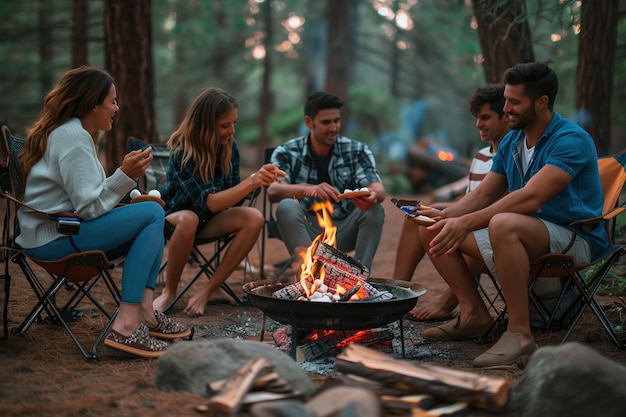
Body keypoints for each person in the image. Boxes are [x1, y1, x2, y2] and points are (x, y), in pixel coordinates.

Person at [417, 62, 608, 368]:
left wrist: (465, 222)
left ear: (541, 102)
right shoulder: (512, 141)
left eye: (515, 102)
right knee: (431, 226)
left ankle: (519, 333)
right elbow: (482, 194)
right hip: (524, 232)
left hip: (575, 237)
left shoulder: (570, 139)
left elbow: (532, 197)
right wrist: (446, 215)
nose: (506, 108)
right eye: (506, 99)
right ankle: (473, 314)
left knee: (503, 223)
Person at [16, 66, 190, 359]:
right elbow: (87, 207)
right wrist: (124, 174)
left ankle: (145, 312)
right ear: (93, 103)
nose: (117, 108)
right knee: (151, 214)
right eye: (112, 101)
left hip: (61, 230)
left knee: (152, 215)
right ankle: (125, 326)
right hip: (57, 237)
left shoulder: (73, 133)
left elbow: (88, 199)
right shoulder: (73, 137)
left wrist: (124, 177)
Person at [152, 87, 280, 316]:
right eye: (224, 125)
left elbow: (228, 198)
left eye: (234, 124)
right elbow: (209, 202)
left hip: (210, 219)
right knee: (189, 218)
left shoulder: (230, 148)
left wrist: (260, 181)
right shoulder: (184, 150)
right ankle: (169, 292)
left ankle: (209, 290)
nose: (231, 131)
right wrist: (252, 180)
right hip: (176, 219)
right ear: (205, 124)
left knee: (255, 217)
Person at [398, 84, 509, 321]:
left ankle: (448, 301)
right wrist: (441, 210)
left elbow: (495, 206)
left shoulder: (514, 156)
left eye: (486, 117)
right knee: (416, 217)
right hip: (471, 222)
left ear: (505, 117)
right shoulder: (480, 157)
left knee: (443, 227)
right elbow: (472, 198)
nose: (479, 124)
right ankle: (398, 293)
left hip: (492, 227)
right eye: (477, 118)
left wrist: (452, 217)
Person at [267, 91, 386, 272]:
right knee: (286, 205)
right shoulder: (287, 151)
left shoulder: (356, 150)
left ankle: (359, 278)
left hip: (344, 229)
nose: (333, 127)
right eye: (326, 122)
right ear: (309, 122)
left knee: (375, 208)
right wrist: (308, 189)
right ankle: (311, 274)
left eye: (336, 121)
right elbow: (273, 191)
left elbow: (377, 186)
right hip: (307, 228)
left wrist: (374, 194)